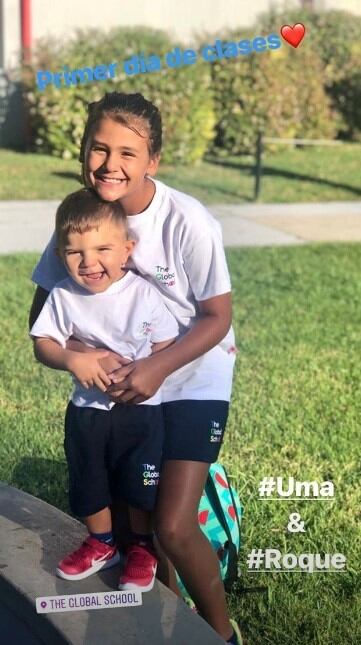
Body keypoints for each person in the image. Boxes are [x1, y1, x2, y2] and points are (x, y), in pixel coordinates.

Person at [29, 92, 242, 644]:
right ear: (83, 151)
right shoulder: (78, 222)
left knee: (171, 525)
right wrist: (84, 357)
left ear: (153, 161)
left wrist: (155, 368)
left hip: (193, 371)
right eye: (99, 148)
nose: (110, 164)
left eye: (128, 152)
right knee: (136, 528)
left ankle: (221, 633)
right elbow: (45, 322)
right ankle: (163, 626)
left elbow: (217, 318)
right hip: (123, 387)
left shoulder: (189, 222)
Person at [30, 188, 178, 591]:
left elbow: (166, 346)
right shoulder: (63, 295)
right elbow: (44, 343)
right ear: (62, 256)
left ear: (127, 250)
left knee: (139, 482)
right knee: (88, 477)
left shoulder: (145, 294)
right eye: (75, 253)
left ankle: (142, 549)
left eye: (103, 249)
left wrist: (147, 371)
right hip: (87, 411)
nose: (89, 262)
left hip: (142, 412)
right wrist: (73, 359)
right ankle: (101, 542)